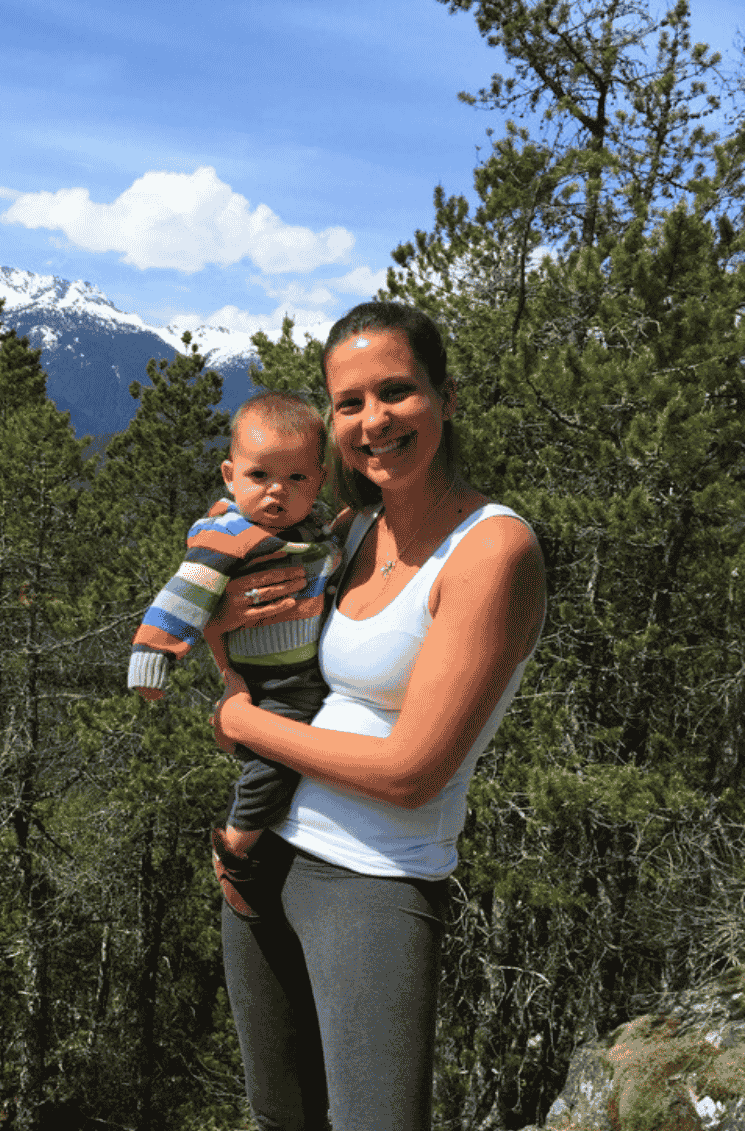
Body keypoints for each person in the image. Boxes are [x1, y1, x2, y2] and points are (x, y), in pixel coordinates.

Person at [210, 301, 547, 1131]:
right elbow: (271, 667)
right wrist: (221, 632)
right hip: (265, 857)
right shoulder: (351, 532)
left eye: (397, 391)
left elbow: (411, 772)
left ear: (447, 396)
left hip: (376, 878)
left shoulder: (492, 550)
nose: (373, 421)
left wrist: (240, 726)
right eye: (350, 403)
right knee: (279, 1116)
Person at [127, 392, 349, 919]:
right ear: (230, 476)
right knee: (273, 765)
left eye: (296, 479)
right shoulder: (228, 538)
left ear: (319, 481)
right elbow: (184, 596)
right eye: (259, 477)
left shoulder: (309, 528)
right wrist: (153, 656)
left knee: (290, 761)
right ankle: (237, 842)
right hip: (270, 681)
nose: (277, 491)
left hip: (303, 670)